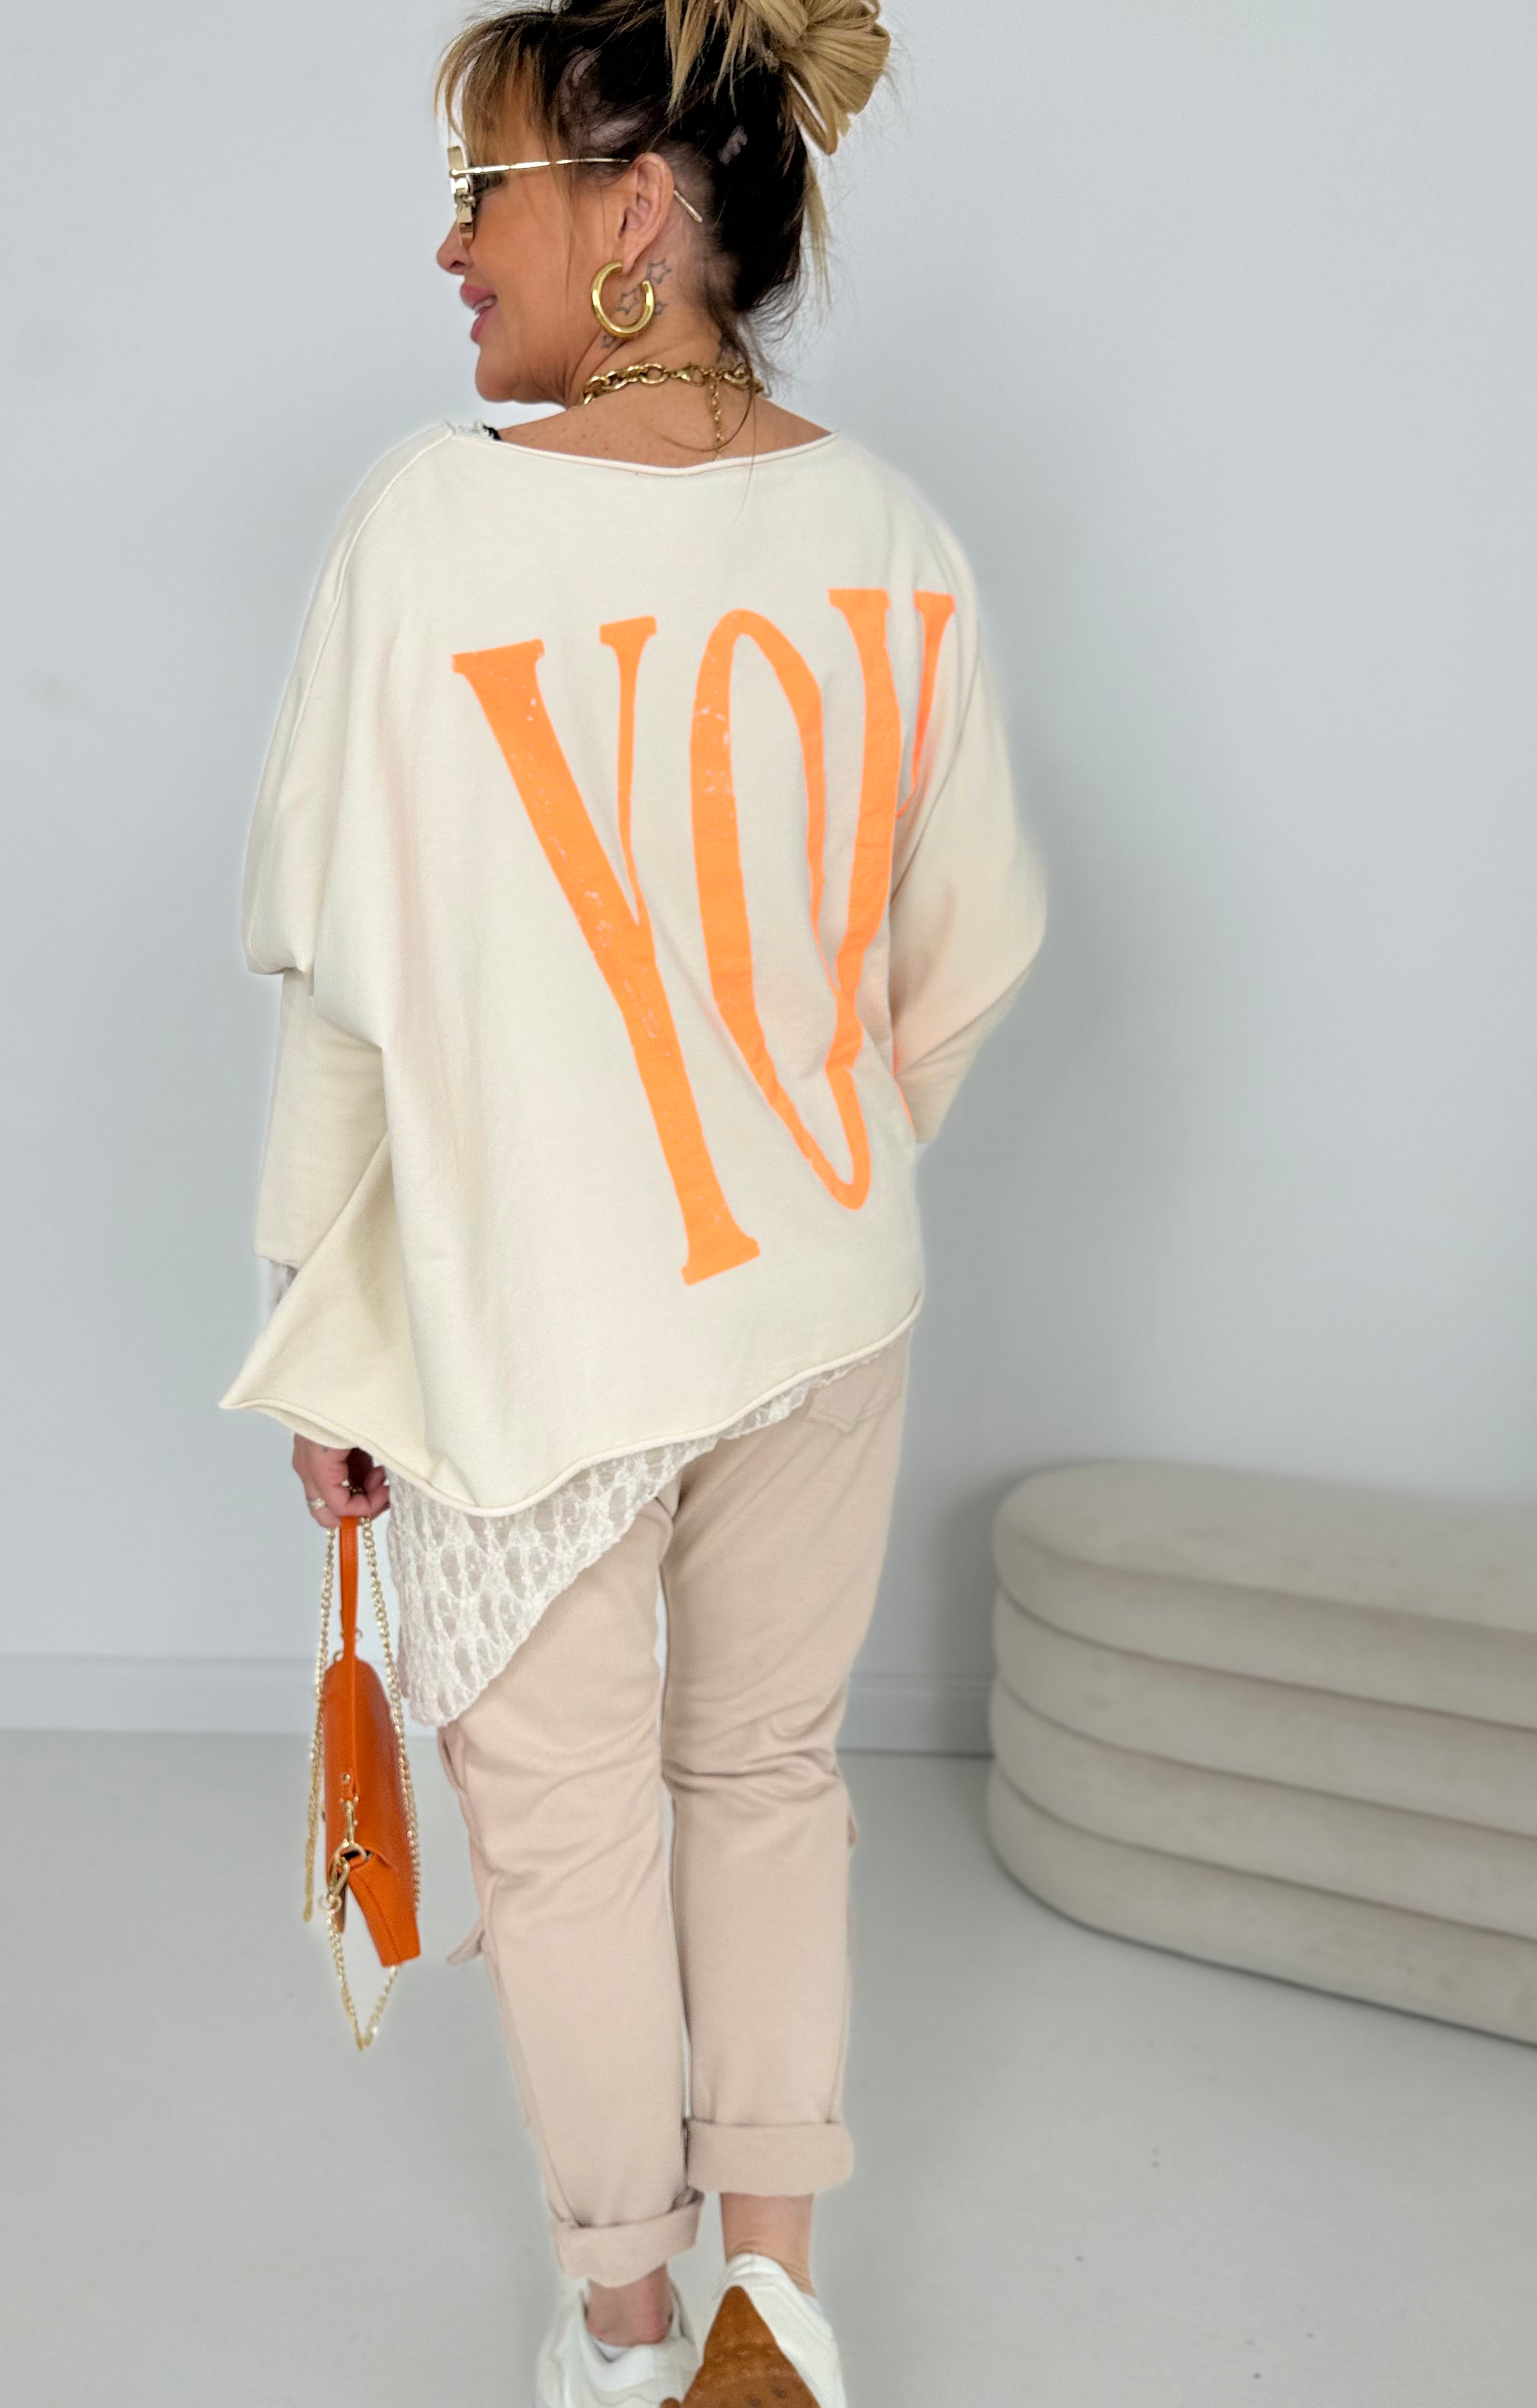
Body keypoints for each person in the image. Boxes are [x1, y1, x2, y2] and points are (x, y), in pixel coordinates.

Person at [220, 2, 1047, 2399]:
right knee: (765, 1772)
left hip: (547, 1320)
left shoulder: (432, 527)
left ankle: (622, 2323)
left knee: (570, 1825)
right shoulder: (891, 537)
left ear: (637, 215)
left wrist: (326, 1325)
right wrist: (818, 1156)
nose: (448, 248)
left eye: (481, 192)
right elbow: (974, 943)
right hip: (830, 1289)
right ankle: (778, 2301)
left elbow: (353, 995)